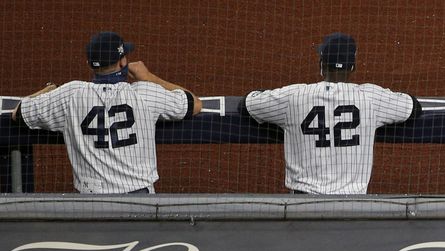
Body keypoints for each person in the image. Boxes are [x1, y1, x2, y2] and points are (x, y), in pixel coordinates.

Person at [12, 31, 202, 194]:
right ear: (122, 62)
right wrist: (149, 77)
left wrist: (49, 89)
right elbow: (194, 103)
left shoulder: (70, 94)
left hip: (92, 203)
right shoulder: (145, 93)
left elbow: (19, 113)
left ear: (90, 65)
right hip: (141, 200)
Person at [242, 32, 421, 194]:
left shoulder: (293, 96)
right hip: (353, 207)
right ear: (352, 68)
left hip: (302, 206)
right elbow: (414, 108)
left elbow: (246, 105)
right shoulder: (372, 98)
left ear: (322, 65)